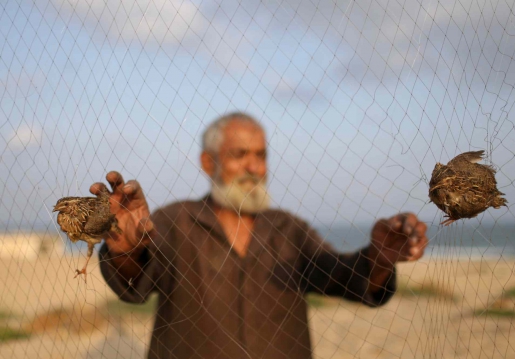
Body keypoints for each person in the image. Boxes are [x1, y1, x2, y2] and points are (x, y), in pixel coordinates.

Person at [94, 112, 428, 359]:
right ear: (208, 163)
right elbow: (136, 284)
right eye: (239, 155)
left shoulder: (288, 229)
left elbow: (342, 276)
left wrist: (378, 259)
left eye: (261, 155)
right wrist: (125, 251)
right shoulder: (175, 220)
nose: (254, 168)